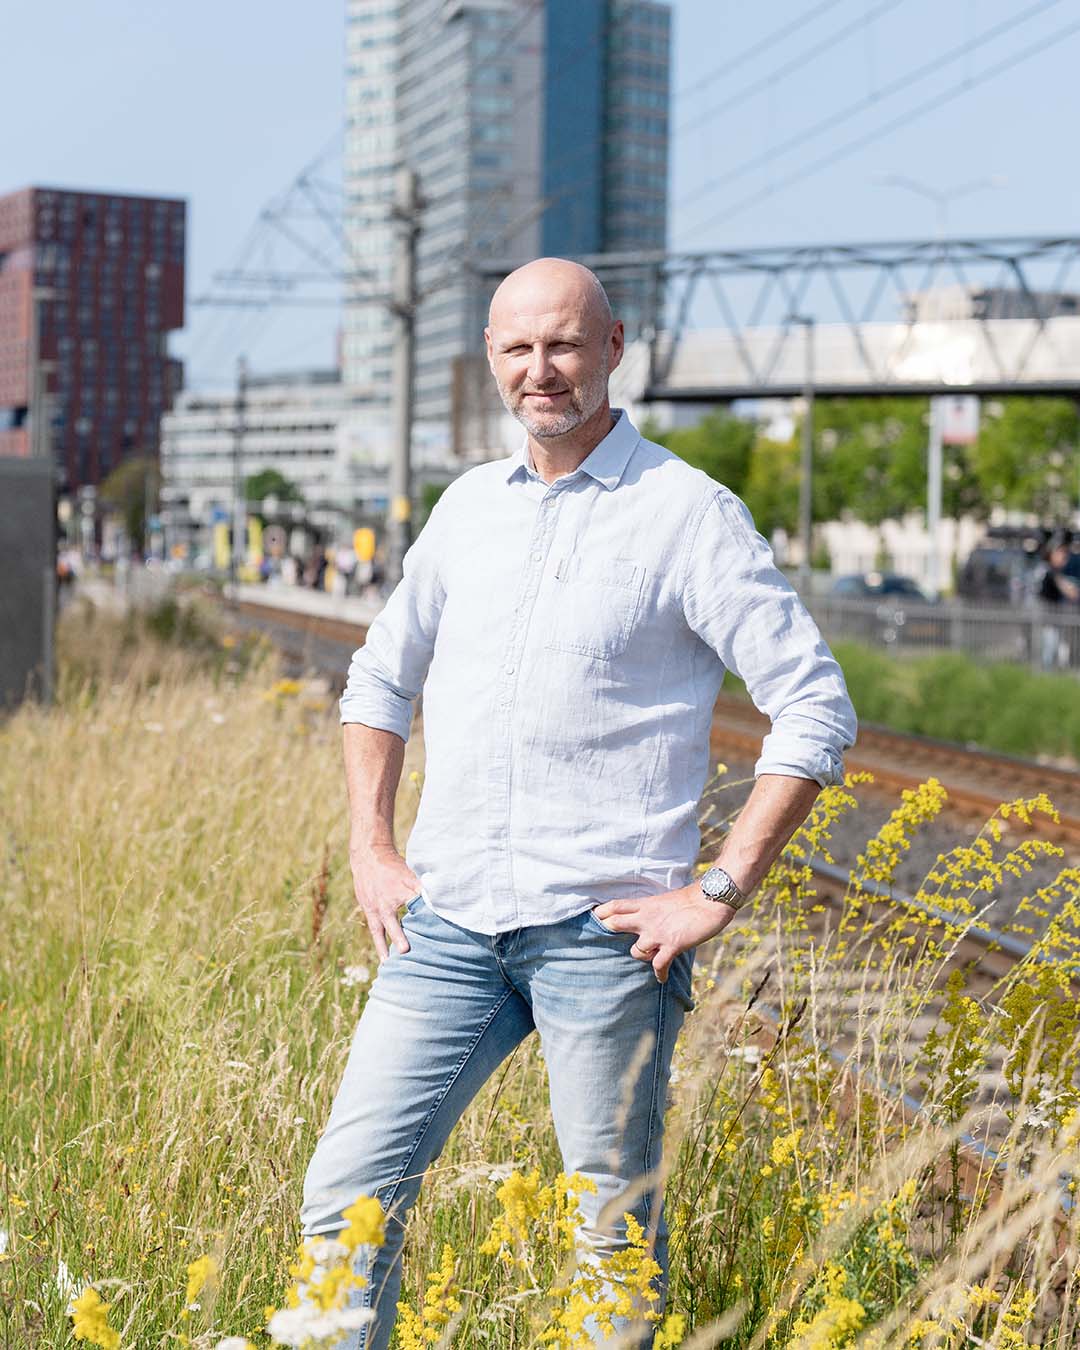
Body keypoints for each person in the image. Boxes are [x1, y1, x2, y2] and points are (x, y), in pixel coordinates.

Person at [300, 258, 857, 1349]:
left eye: (563, 344)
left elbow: (815, 709)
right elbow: (378, 680)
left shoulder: (689, 513)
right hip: (449, 921)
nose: (540, 370)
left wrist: (719, 889)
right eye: (518, 349)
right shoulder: (466, 509)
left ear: (612, 349)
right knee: (344, 1203)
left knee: (606, 1242)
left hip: (605, 939)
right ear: (494, 362)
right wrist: (370, 843)